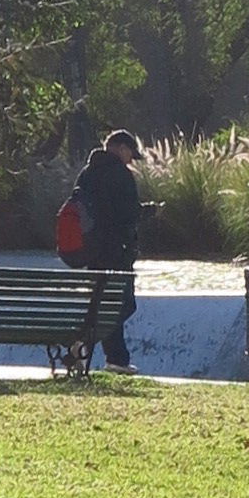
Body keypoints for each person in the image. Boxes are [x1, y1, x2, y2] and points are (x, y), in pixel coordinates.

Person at [70, 126, 143, 370]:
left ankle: (116, 359)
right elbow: (128, 215)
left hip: (92, 252)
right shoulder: (120, 175)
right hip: (117, 252)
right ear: (121, 148)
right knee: (124, 304)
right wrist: (150, 212)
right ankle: (89, 342)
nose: (131, 160)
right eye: (131, 154)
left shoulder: (87, 173)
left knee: (103, 303)